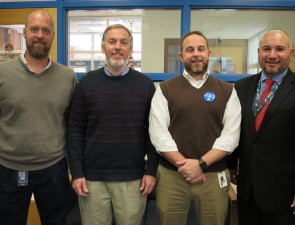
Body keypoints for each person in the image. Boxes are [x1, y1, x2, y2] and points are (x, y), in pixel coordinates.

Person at [67, 24, 159, 225]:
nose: (117, 47)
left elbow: (154, 133)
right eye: (112, 42)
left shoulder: (145, 85)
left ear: (130, 49)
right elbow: (74, 130)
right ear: (103, 47)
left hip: (133, 180)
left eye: (123, 42)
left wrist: (151, 170)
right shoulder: (86, 84)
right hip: (92, 180)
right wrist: (77, 172)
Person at [149, 30, 241, 225]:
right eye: (190, 50)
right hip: (172, 176)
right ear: (182, 56)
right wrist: (186, 166)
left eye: (200, 49)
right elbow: (158, 134)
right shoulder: (164, 89)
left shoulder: (227, 91)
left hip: (213, 177)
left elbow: (230, 137)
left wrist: (199, 165)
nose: (196, 54)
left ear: (209, 53)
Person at [0, 10, 77, 225]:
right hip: (8, 169)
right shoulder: (2, 73)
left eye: (46, 30)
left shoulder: (67, 77)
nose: (40, 35)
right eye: (34, 29)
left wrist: (74, 169)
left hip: (54, 169)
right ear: (24, 33)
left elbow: (73, 125)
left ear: (52, 35)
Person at [227, 29, 295, 225]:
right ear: (258, 52)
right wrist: (231, 166)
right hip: (247, 190)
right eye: (266, 49)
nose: (272, 55)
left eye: (280, 49)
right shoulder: (241, 87)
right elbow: (236, 129)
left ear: (291, 53)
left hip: (285, 194)